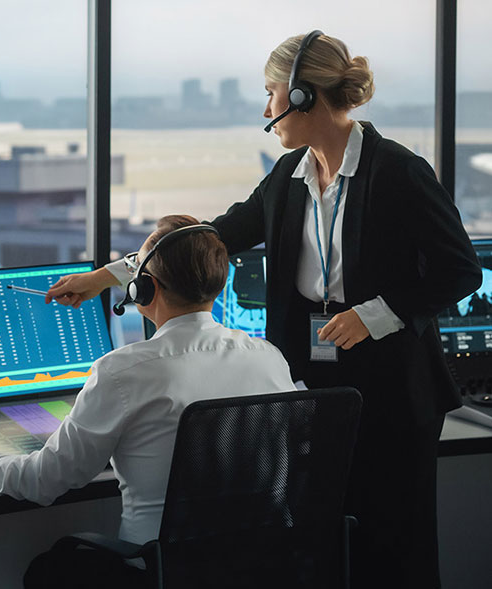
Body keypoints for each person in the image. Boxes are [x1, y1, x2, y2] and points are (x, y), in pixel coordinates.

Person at [45, 32, 481, 589]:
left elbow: (459, 269)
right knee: (318, 546)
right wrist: (108, 275)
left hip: (393, 385)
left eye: (272, 93)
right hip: (310, 384)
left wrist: (374, 314)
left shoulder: (398, 171)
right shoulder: (290, 176)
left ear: (303, 96)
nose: (267, 109)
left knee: (393, 548)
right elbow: (209, 237)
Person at [0, 215, 296, 587]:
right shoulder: (268, 357)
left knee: (46, 572)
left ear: (144, 289)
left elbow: (41, 481)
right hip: (261, 567)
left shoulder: (124, 372)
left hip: (158, 572)